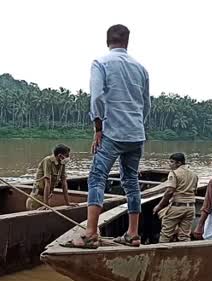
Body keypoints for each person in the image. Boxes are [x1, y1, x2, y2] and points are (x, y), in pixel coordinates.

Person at [70, 24, 151, 249]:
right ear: (127, 42)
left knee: (97, 178)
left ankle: (90, 234)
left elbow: (96, 98)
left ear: (107, 41)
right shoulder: (141, 68)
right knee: (131, 182)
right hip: (135, 134)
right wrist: (137, 126)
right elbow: (146, 105)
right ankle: (133, 234)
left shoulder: (101, 63)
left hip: (112, 133)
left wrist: (98, 128)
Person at [153, 153, 199, 242]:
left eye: (171, 162)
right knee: (185, 236)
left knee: (166, 234)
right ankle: (185, 254)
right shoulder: (194, 174)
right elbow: (194, 191)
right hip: (191, 208)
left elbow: (169, 191)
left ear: (178, 163)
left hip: (177, 206)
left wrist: (159, 206)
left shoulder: (174, 173)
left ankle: (162, 254)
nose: (169, 164)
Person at [26, 145, 75, 210]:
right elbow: (47, 183)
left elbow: (64, 183)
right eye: (67, 155)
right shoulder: (48, 161)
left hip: (47, 197)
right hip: (37, 197)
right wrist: (45, 204)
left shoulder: (62, 163)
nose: (68, 158)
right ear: (60, 156)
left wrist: (67, 202)